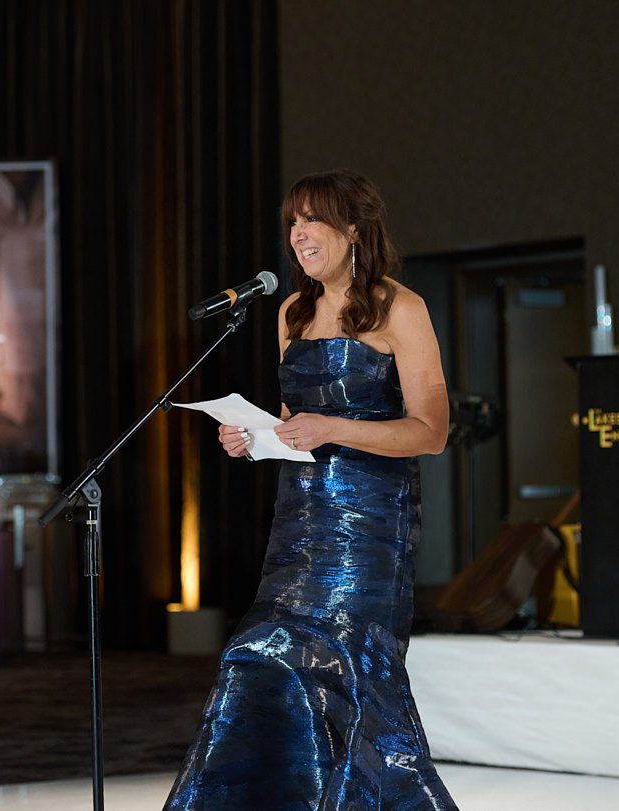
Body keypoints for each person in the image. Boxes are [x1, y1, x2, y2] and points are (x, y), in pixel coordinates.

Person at [165, 170, 455, 809]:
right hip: (300, 521)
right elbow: (300, 427)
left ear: (353, 229)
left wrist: (333, 428)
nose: (298, 235)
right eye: (292, 223)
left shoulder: (400, 307)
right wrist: (255, 437)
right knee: (261, 651)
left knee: (350, 669)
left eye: (313, 220)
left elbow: (432, 431)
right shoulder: (291, 312)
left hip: (371, 521)